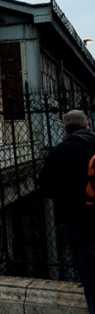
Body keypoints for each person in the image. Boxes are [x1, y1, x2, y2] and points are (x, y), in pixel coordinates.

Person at [37, 109, 95, 314]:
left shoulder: (62, 150)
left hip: (77, 219)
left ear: (65, 128)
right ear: (86, 125)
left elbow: (44, 186)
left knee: (89, 273)